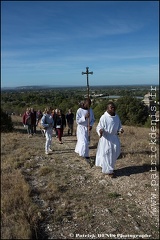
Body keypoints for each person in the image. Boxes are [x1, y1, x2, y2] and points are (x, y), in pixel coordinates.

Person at [95, 101, 124, 178]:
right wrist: (100, 131)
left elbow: (119, 126)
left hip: (114, 138)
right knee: (107, 154)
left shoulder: (117, 117)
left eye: (114, 107)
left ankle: (109, 168)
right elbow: (98, 127)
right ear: (107, 109)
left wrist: (120, 130)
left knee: (114, 153)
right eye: (111, 107)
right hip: (106, 138)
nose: (113, 108)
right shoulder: (104, 117)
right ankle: (109, 171)